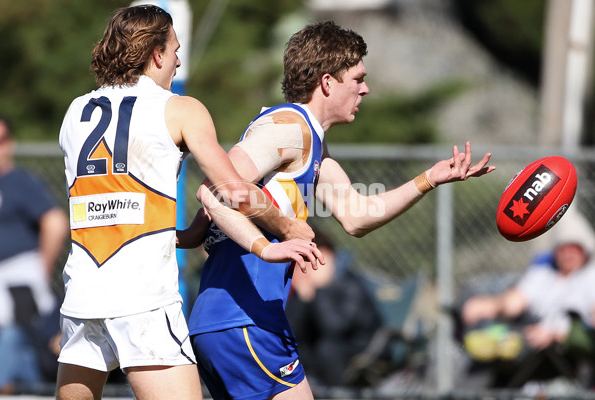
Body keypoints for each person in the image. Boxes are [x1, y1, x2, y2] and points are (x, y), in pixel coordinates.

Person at [185, 20, 495, 400]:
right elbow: (218, 189)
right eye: (358, 78)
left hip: (237, 321)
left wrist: (428, 179)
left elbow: (356, 216)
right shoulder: (288, 126)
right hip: (245, 319)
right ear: (328, 82)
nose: (365, 88)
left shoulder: (311, 142)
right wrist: (277, 234)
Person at [56, 5, 322, 400]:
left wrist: (189, 233)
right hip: (143, 300)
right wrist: (284, 231)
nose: (179, 61)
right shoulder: (180, 108)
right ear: (156, 54)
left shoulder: (75, 111)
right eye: (175, 50)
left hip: (82, 295)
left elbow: (116, 210)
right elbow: (233, 189)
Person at [461, 208, 595, 385]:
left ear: (584, 250)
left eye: (574, 248)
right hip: (528, 335)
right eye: (563, 248)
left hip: (563, 348)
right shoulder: (543, 274)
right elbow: (516, 300)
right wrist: (490, 305)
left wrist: (555, 334)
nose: (568, 254)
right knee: (486, 340)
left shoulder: (590, 277)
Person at [0, 113, 68, 393]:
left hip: (17, 284)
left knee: (13, 333)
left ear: (10, 144)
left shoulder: (19, 181)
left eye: (0, 141)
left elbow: (55, 222)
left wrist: (40, 269)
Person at [286, 229, 386, 388]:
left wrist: (316, 293)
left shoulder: (349, 284)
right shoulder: (309, 289)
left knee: (328, 349)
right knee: (297, 349)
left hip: (365, 347)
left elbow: (335, 328)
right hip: (328, 348)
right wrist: (303, 296)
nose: (310, 268)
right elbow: (293, 331)